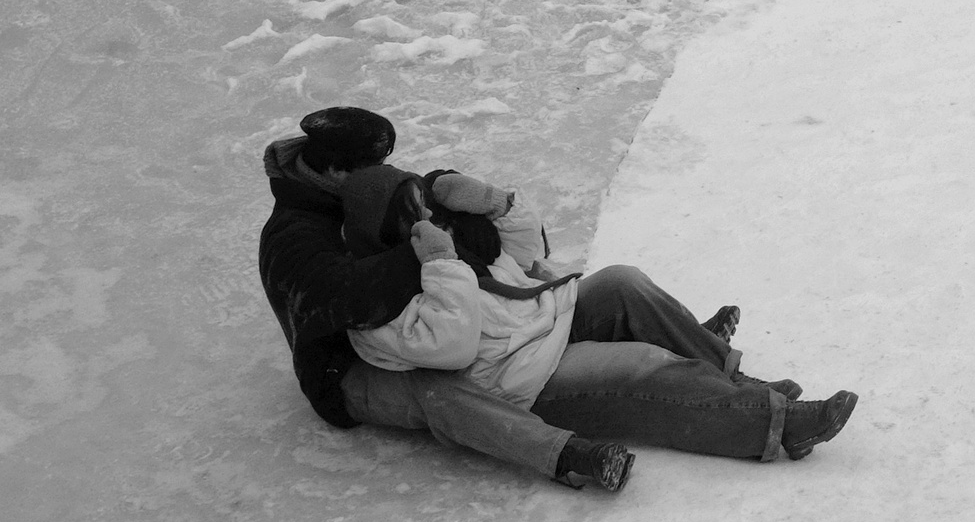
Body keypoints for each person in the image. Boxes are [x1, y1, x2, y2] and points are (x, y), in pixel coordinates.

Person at [336, 144, 857, 472]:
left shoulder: (436, 245)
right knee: (640, 367)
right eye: (411, 209)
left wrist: (495, 204)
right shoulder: (372, 305)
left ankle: (741, 383)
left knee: (622, 282)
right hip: (522, 379)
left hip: (546, 320)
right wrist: (441, 265)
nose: (426, 212)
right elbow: (452, 348)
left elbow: (526, 256)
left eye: (420, 199)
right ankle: (777, 424)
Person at [259, 107, 619, 491]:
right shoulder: (293, 238)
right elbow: (346, 295)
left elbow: (391, 195)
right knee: (439, 391)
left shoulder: (345, 186)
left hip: (403, 337)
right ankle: (565, 456)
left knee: (462, 342)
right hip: (343, 368)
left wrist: (444, 193)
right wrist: (428, 248)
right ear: (336, 171)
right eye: (374, 164)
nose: (381, 168)